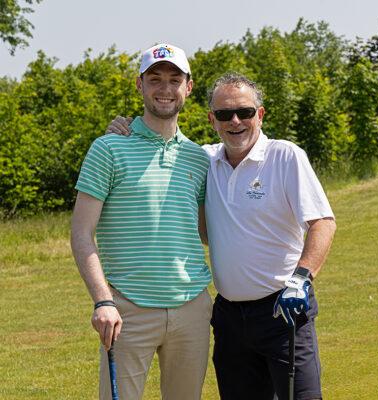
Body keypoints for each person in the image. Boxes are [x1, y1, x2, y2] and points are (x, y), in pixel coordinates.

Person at [107, 73, 336, 400]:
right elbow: (157, 149)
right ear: (212, 120)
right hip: (229, 320)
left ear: (260, 115)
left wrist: (302, 278)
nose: (236, 121)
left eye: (244, 112)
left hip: (282, 310)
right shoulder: (203, 160)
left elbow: (323, 223)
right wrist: (124, 132)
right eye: (225, 114)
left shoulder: (285, 156)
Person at [70, 43, 213, 400]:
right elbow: (81, 234)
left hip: (192, 307)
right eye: (155, 79)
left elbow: (206, 233)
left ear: (188, 87)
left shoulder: (199, 158)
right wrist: (103, 301)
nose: (165, 88)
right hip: (126, 309)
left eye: (174, 80)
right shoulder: (108, 148)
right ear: (140, 85)